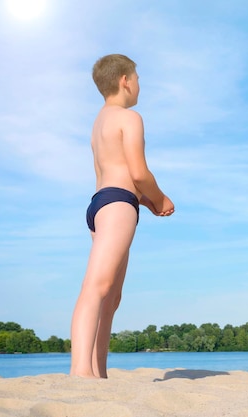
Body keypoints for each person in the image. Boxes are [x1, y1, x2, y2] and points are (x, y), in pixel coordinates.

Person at [70, 54, 175, 378]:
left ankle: (98, 370)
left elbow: (113, 175)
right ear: (125, 80)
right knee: (96, 286)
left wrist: (144, 202)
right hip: (118, 205)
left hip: (102, 202)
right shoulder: (129, 118)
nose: (140, 84)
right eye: (138, 77)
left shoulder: (99, 122)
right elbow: (138, 173)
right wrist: (160, 198)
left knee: (111, 296)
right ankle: (80, 371)